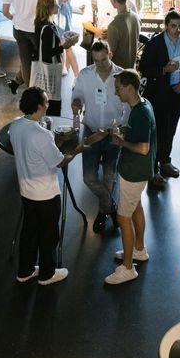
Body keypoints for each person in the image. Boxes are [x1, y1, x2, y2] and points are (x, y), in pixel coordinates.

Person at [7, 86, 77, 285]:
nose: (48, 104)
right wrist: (77, 150)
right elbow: (59, 161)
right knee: (48, 235)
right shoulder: (42, 134)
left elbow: (31, 150)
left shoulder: (15, 125)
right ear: (38, 107)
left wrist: (53, 145)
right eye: (46, 102)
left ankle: (25, 271)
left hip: (26, 191)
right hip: (46, 195)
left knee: (29, 232)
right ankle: (47, 274)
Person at [104, 69, 155, 285]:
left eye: (118, 89)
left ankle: (127, 268)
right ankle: (138, 250)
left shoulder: (141, 113)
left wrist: (121, 142)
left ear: (130, 88)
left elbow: (143, 148)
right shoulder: (143, 105)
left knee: (123, 218)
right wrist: (125, 131)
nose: (116, 93)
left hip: (134, 172)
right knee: (136, 207)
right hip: (138, 171)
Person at [71, 40, 128, 232]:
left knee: (110, 178)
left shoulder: (122, 76)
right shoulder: (85, 75)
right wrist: (76, 103)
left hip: (113, 133)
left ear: (110, 54)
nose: (100, 64)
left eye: (103, 59)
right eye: (96, 61)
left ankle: (103, 212)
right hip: (92, 131)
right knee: (88, 178)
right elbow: (77, 95)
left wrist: (122, 131)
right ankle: (111, 207)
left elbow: (128, 107)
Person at [138, 8, 180, 184]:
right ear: (166, 26)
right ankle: (153, 169)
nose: (177, 30)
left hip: (177, 93)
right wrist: (164, 69)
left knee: (171, 131)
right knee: (158, 132)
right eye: (173, 26)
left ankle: (165, 162)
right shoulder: (154, 44)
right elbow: (143, 68)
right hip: (159, 94)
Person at [3, 0, 51, 92]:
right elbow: (50, 6)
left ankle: (19, 84)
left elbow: (5, 11)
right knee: (39, 60)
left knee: (26, 61)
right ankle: (32, 92)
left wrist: (15, 18)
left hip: (19, 28)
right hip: (37, 28)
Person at [30, 0, 70, 116]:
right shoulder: (48, 28)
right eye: (55, 4)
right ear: (48, 7)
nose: (58, 6)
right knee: (51, 107)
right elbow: (47, 53)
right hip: (49, 70)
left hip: (39, 67)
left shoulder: (39, 23)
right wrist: (64, 46)